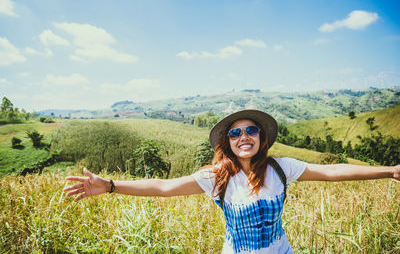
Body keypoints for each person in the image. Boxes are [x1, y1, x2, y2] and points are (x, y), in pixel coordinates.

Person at [63, 109, 400, 253]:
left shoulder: (282, 168)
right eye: (236, 133)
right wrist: (109, 185)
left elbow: (333, 172)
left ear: (262, 137)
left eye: (251, 130)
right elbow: (165, 187)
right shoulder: (217, 177)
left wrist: (390, 170)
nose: (244, 137)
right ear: (228, 141)